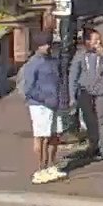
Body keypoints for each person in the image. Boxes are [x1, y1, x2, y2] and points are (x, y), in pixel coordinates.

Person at [17, 33, 65, 183]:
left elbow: (59, 80)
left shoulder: (53, 61)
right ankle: (40, 168)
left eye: (49, 43)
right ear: (38, 46)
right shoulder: (33, 64)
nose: (48, 47)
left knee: (55, 135)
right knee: (42, 137)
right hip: (40, 105)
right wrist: (45, 99)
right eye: (45, 44)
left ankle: (51, 165)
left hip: (54, 103)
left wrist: (61, 99)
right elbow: (28, 88)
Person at [69, 27, 103, 162]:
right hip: (86, 92)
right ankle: (93, 145)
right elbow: (73, 75)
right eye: (95, 40)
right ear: (87, 42)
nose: (98, 43)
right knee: (90, 121)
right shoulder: (80, 55)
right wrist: (72, 96)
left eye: (99, 39)